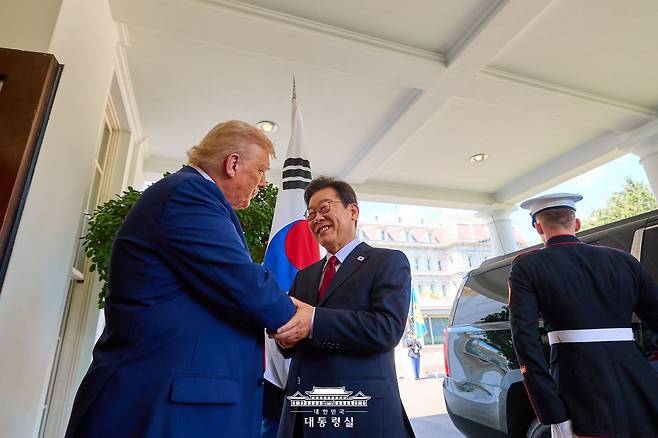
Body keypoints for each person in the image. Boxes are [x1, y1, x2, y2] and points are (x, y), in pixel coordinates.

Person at [65, 120, 304, 438]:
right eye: (260, 170)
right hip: (159, 405)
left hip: (175, 399)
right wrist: (298, 317)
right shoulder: (189, 194)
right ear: (232, 163)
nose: (262, 183)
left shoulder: (189, 194)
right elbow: (240, 281)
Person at [272, 177, 415, 438]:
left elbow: (387, 329)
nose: (317, 218)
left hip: (361, 415)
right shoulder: (303, 276)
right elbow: (293, 343)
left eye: (324, 208)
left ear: (353, 211)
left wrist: (314, 321)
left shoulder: (387, 262)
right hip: (303, 413)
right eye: (311, 213)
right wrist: (285, 336)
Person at [508, 193, 658, 438]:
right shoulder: (624, 260)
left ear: (538, 228)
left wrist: (553, 412)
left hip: (580, 387)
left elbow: (525, 340)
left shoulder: (528, 265)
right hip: (640, 383)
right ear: (576, 223)